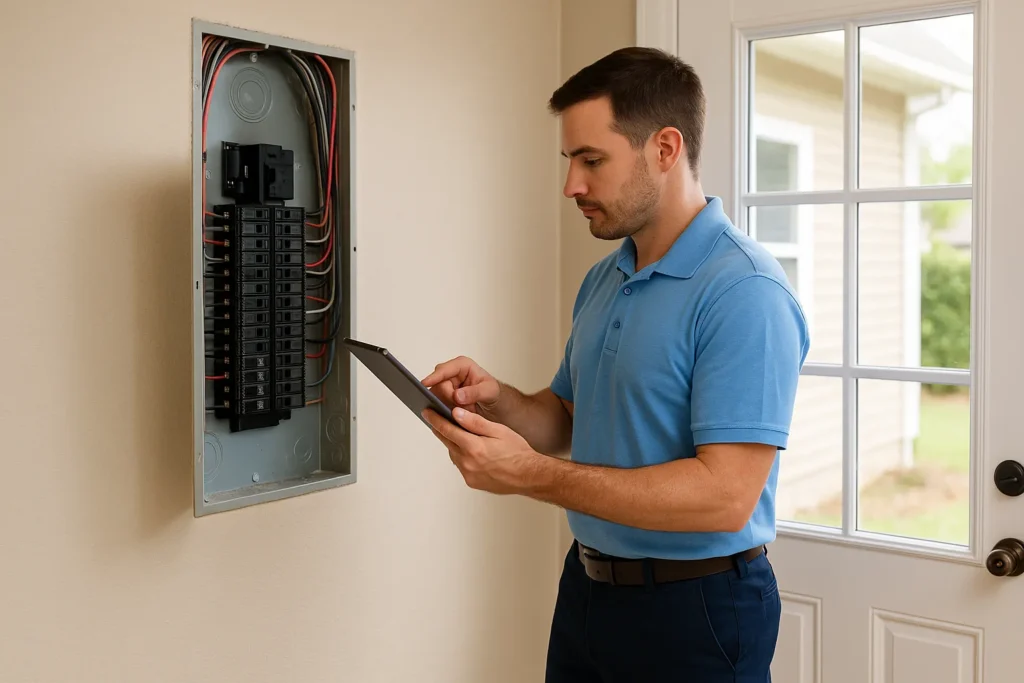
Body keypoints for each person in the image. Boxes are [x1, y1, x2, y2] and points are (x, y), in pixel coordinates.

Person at [420, 46, 809, 682]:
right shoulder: (607, 276)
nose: (572, 184)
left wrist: (529, 475)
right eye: (570, 160)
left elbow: (724, 498)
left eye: (591, 160)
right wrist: (499, 401)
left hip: (697, 610)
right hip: (589, 588)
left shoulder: (745, 292)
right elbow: (567, 418)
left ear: (665, 148)